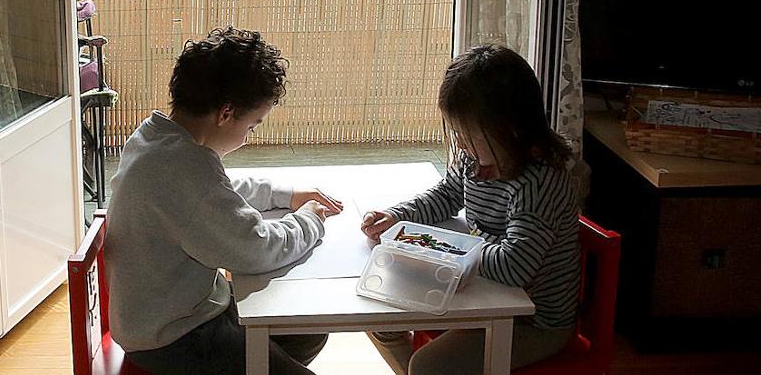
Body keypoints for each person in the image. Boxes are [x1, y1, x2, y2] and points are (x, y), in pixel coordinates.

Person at [105, 26, 344, 375]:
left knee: (308, 331)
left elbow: (215, 191)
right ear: (226, 113)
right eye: (252, 126)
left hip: (166, 311)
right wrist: (309, 220)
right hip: (175, 337)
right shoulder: (185, 168)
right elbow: (255, 249)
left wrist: (286, 195)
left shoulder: (156, 137)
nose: (248, 137)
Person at [362, 45, 579, 375]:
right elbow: (448, 194)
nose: (461, 145)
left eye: (468, 136)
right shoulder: (478, 159)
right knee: (382, 319)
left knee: (428, 366)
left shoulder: (538, 181)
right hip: (487, 297)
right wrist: (399, 215)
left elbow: (515, 266)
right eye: (458, 135)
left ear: (509, 128)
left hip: (532, 321)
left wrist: (446, 252)